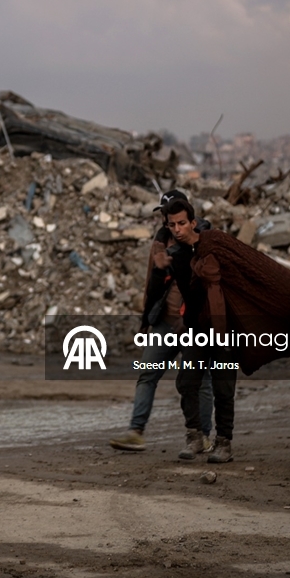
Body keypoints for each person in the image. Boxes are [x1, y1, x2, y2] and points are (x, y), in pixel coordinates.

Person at [109, 190, 214, 456]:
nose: (172, 224)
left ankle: (203, 435)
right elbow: (152, 283)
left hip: (194, 326)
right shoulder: (160, 242)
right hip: (165, 322)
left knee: (200, 381)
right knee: (147, 374)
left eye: (178, 219)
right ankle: (136, 431)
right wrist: (146, 319)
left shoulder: (204, 241)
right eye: (168, 218)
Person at [164, 198, 238, 463]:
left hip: (225, 328)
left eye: (182, 223)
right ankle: (195, 436)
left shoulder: (214, 246)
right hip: (197, 330)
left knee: (223, 387)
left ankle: (224, 442)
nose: (177, 229)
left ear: (192, 222)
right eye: (172, 224)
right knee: (186, 382)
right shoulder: (177, 256)